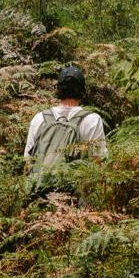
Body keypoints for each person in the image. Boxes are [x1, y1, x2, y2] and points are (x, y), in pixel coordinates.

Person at [23, 64, 107, 195]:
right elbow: (97, 164)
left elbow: (28, 164)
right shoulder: (92, 120)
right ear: (82, 90)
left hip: (38, 198)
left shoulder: (39, 118)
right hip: (76, 202)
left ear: (58, 89)